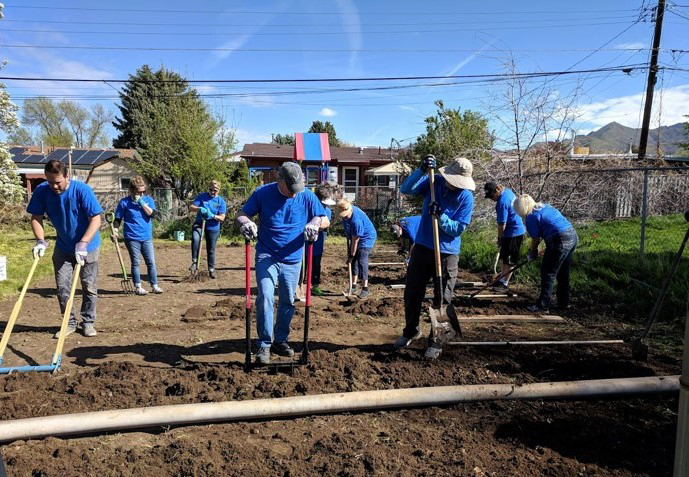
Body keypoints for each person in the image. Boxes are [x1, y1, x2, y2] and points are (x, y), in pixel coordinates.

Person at [235, 162, 329, 365]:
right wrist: (245, 222)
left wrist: (316, 223)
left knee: (287, 300)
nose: (295, 194)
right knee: (266, 296)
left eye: (298, 189)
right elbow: (241, 214)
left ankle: (281, 340)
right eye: (291, 189)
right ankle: (264, 344)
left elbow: (324, 218)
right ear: (280, 181)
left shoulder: (306, 195)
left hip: (293, 258)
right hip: (267, 255)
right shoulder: (263, 193)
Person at [394, 155, 474, 360]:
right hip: (422, 246)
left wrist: (442, 217)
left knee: (443, 298)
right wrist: (420, 169)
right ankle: (411, 330)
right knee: (412, 293)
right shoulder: (433, 181)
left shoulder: (466, 198)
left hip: (447, 252)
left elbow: (458, 229)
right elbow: (406, 189)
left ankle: (436, 341)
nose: (453, 185)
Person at [27, 160, 103, 338]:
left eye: (58, 182)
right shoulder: (42, 191)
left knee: (88, 286)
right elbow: (36, 217)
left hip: (88, 246)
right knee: (63, 287)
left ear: (66, 176)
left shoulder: (82, 190)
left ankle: (88, 322)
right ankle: (68, 323)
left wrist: (83, 243)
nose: (54, 186)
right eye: (50, 181)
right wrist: (40, 240)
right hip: (63, 246)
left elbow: (96, 219)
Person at [513, 194, 578, 313]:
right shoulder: (544, 207)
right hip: (572, 236)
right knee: (563, 272)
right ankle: (564, 302)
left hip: (559, 240)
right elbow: (549, 227)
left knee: (548, 273)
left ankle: (543, 305)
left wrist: (532, 253)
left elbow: (535, 239)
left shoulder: (531, 217)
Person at [113, 176, 163, 295]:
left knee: (151, 262)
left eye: (143, 191)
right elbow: (118, 219)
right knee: (136, 262)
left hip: (146, 236)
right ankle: (138, 286)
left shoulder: (148, 200)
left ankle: (154, 285)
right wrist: (115, 230)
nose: (141, 193)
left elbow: (153, 215)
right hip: (131, 237)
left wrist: (142, 203)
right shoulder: (124, 202)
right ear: (132, 190)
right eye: (139, 191)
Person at [484, 181, 525, 291]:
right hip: (511, 232)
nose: (491, 199)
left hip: (514, 233)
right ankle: (501, 280)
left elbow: (502, 224)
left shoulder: (502, 202)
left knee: (509, 260)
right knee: (504, 258)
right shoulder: (507, 192)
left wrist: (500, 238)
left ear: (497, 190)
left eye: (492, 196)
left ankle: (504, 284)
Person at [337, 198, 377, 299]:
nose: (345, 217)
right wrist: (351, 255)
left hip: (367, 238)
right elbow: (350, 236)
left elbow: (355, 240)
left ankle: (365, 288)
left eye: (346, 215)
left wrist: (351, 255)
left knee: (361, 260)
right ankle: (353, 286)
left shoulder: (356, 220)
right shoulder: (345, 213)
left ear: (349, 209)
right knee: (353, 260)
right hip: (355, 237)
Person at [189, 180, 227, 279]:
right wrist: (199, 209)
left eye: (215, 190)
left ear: (219, 190)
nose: (212, 192)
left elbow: (222, 217)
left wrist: (213, 215)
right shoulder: (202, 197)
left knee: (211, 249)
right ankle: (194, 261)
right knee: (196, 239)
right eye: (211, 189)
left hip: (213, 227)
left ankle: (211, 269)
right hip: (200, 223)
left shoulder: (221, 201)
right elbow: (191, 207)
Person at [311, 184, 335, 297]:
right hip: (304, 244)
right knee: (302, 265)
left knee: (316, 265)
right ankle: (298, 285)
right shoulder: (309, 207)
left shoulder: (327, 211)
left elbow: (325, 224)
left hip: (318, 242)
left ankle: (315, 286)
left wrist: (318, 227)